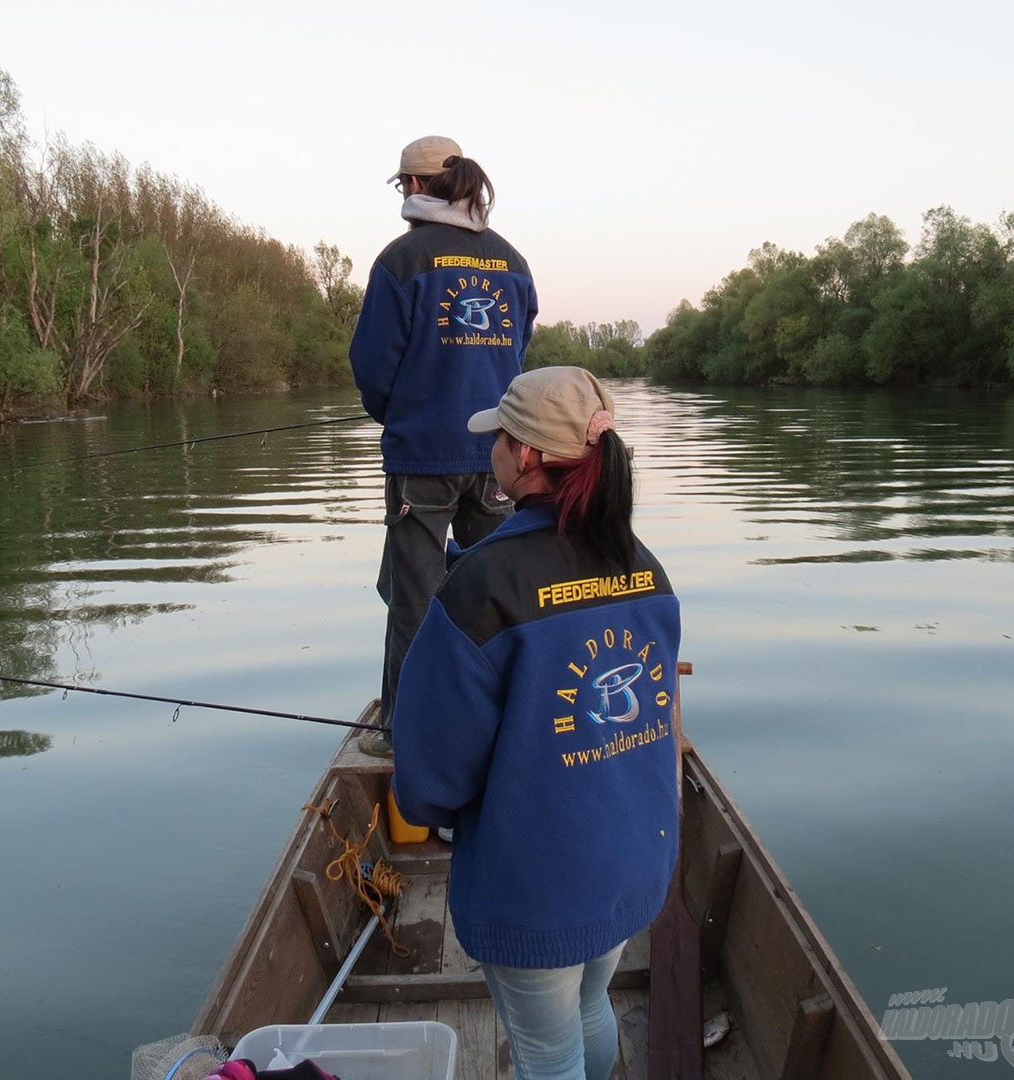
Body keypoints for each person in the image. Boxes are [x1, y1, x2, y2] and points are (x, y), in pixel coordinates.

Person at [391, 367, 682, 1080]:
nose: (490, 448)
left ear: (522, 458)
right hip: (630, 863)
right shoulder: (645, 568)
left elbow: (429, 778)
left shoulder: (481, 586)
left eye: (498, 437)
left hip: (536, 888)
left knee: (549, 1053)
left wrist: (427, 808)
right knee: (590, 1008)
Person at [350, 135, 537, 755]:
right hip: (501, 458)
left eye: (402, 185)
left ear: (416, 186)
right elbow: (518, 352)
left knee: (415, 597)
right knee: (499, 589)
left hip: (421, 458)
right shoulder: (511, 260)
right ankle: (502, 722)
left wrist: (400, 415)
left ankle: (407, 734)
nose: (402, 194)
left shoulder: (401, 260)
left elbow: (373, 367)